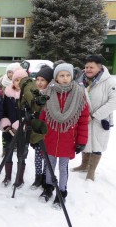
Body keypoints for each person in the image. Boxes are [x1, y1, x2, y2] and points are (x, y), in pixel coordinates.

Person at [39, 63, 89, 208]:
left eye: (68, 75)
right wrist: (37, 135)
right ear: (56, 77)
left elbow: (83, 120)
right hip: (50, 137)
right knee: (49, 165)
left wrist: (81, 141)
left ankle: (62, 191)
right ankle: (48, 187)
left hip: (68, 139)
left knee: (63, 167)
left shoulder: (79, 94)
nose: (65, 78)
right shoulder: (48, 92)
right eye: (62, 75)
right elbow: (43, 116)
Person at [73, 55, 116, 181]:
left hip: (100, 120)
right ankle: (84, 165)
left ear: (100, 67)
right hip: (84, 118)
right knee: (84, 141)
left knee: (97, 144)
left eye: (91, 67)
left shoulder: (109, 82)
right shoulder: (81, 80)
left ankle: (91, 171)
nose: (88, 70)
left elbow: (114, 101)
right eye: (86, 67)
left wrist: (94, 115)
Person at [0, 68, 29, 188]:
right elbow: (3, 111)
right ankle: (7, 176)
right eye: (16, 80)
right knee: (8, 153)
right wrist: (6, 125)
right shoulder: (7, 94)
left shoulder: (28, 95)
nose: (19, 82)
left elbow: (32, 114)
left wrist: (24, 125)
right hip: (8, 130)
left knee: (21, 154)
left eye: (21, 80)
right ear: (13, 81)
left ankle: (20, 178)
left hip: (22, 130)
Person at [31, 65, 53, 189]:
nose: (39, 82)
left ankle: (46, 177)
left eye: (42, 80)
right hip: (37, 130)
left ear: (48, 82)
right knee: (38, 156)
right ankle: (38, 177)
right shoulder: (34, 94)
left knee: (47, 156)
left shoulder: (50, 96)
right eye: (37, 79)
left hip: (48, 131)